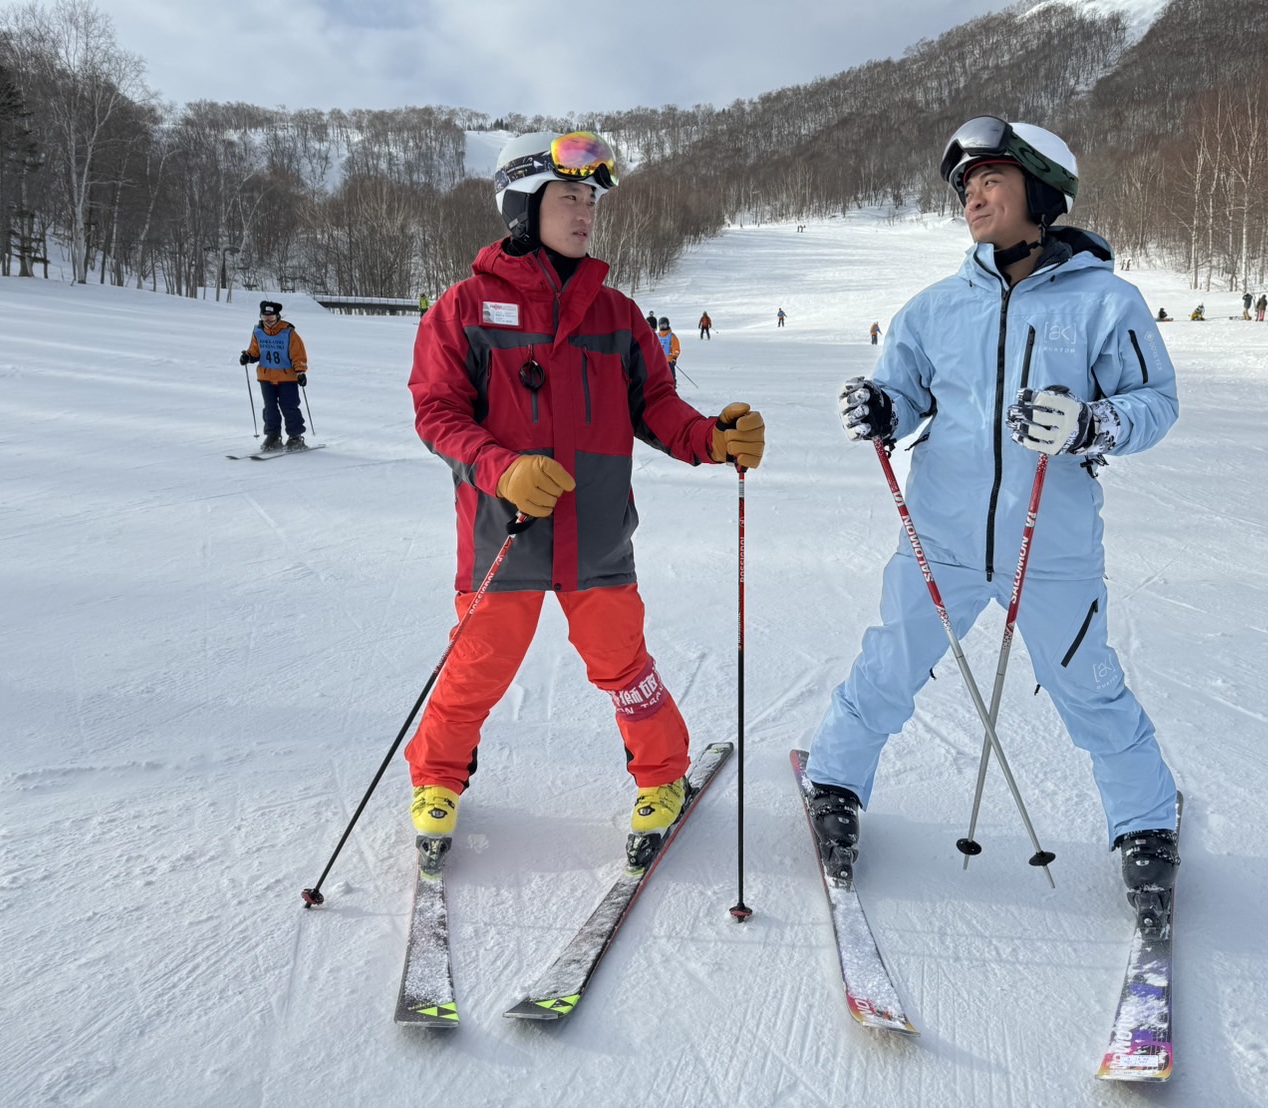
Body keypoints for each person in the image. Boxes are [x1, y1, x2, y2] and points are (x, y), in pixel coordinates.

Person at [808, 116, 1181, 925]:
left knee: (1088, 687)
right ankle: (834, 783)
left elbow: (1155, 404)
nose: (973, 197)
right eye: (967, 186)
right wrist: (881, 409)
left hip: (1050, 544)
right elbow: (903, 396)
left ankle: (1147, 825)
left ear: (1041, 195)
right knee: (889, 664)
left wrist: (1089, 424)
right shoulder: (935, 308)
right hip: (940, 535)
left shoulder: (1105, 303)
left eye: (992, 181)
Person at [405, 131, 766, 855]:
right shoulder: (465, 308)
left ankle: (662, 776)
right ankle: (436, 781)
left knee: (624, 669)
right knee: (475, 669)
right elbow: (436, 414)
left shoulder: (617, 314)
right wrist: (500, 465)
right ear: (521, 207)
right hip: (502, 530)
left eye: (589, 200)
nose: (585, 213)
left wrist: (710, 439)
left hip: (596, 533)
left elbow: (656, 407)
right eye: (569, 198)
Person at [239, 300, 309, 452]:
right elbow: (255, 351)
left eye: (271, 318)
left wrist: (300, 372)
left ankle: (295, 437)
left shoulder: (288, 332)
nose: (268, 321)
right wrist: (248, 357)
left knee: (289, 407)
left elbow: (298, 354)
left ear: (278, 316)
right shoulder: (258, 331)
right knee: (270, 408)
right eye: (265, 317)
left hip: (287, 378)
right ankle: (273, 436)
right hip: (265, 376)